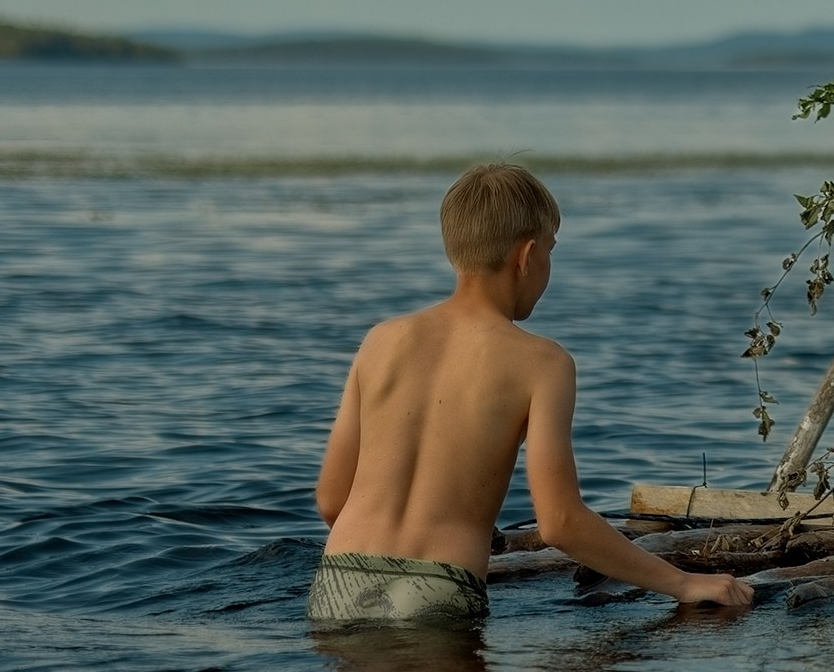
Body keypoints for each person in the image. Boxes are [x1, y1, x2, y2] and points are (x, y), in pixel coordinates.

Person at [309, 162, 752, 625]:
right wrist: (684, 582)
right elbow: (560, 522)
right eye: (551, 252)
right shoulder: (542, 362)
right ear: (527, 255)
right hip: (439, 585)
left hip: (340, 578)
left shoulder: (380, 340)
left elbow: (331, 500)